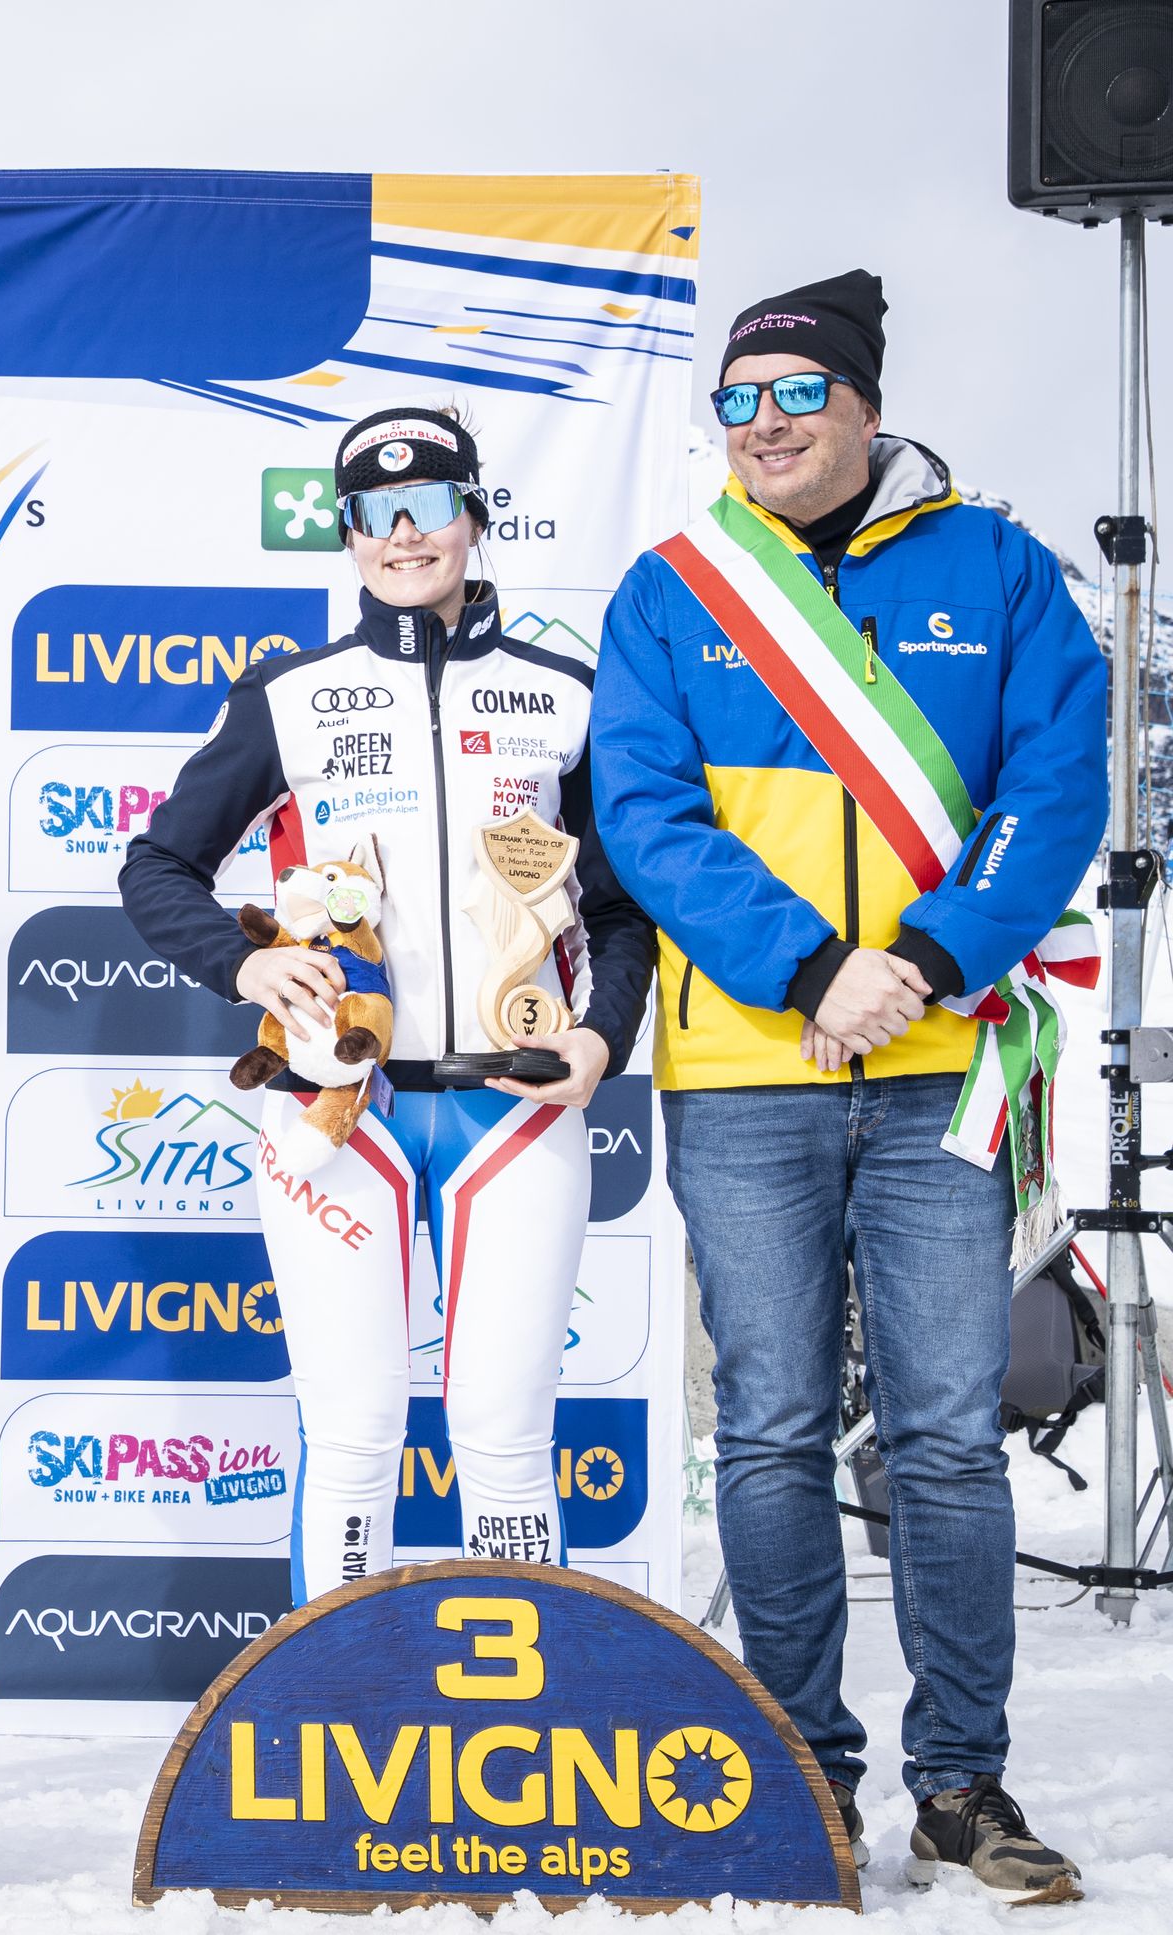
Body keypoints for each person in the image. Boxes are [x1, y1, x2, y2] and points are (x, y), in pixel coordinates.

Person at [590, 271, 1105, 1903]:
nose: (765, 428)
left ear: (867, 409)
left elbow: (1057, 786)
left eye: (796, 397)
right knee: (771, 1432)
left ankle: (965, 1786)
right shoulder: (671, 590)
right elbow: (646, 813)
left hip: (943, 1064)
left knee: (949, 1439)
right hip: (749, 1066)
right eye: (737, 404)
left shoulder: (1003, 570)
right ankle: (800, 1773)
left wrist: (932, 960)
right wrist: (816, 971)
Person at [121, 405, 653, 1602]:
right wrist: (245, 964)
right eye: (371, 514)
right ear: (348, 536)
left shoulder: (565, 694)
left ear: (475, 515)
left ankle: (521, 1737)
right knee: (355, 1432)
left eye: (427, 508)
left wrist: (601, 1033)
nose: (402, 535)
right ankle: (328, 1720)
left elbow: (621, 910)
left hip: (511, 1111)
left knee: (505, 1433)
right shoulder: (294, 694)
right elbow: (155, 866)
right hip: (334, 1109)